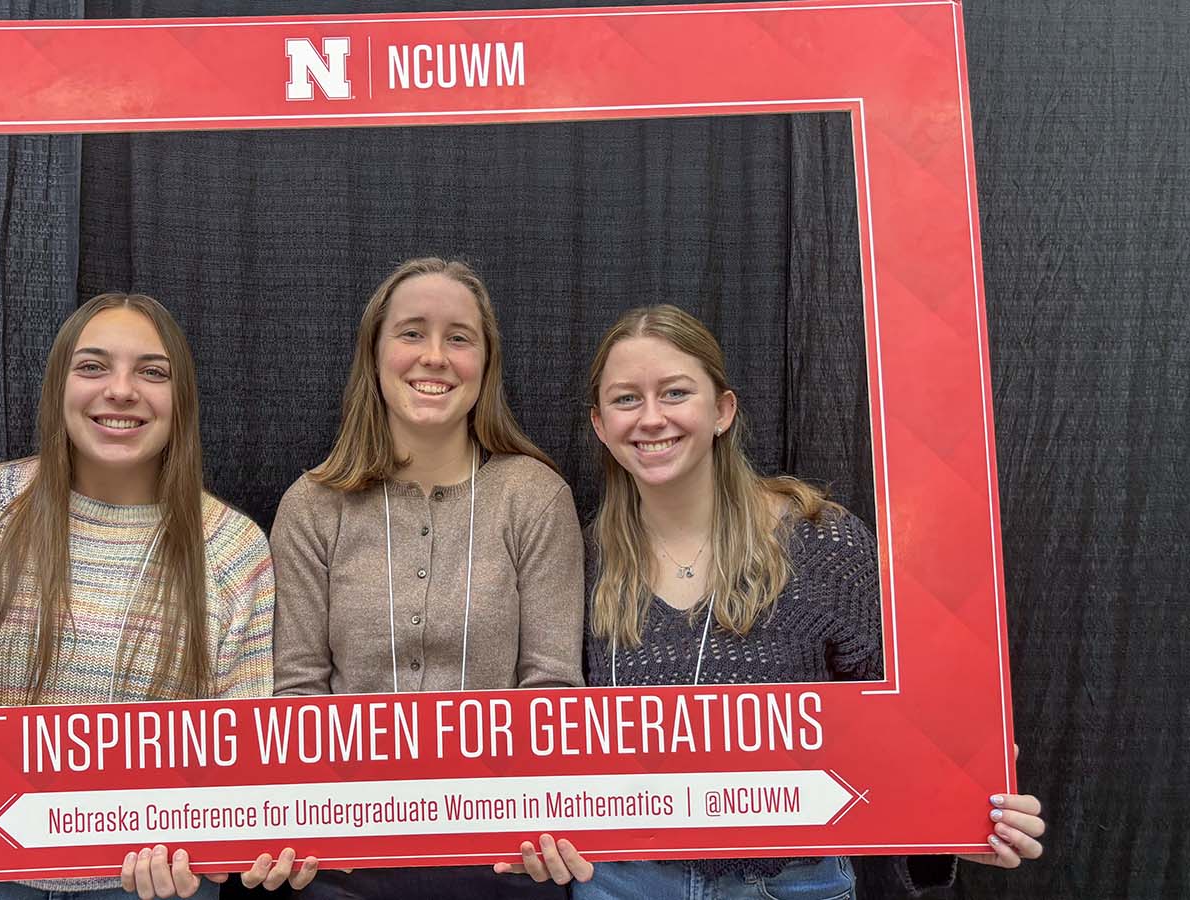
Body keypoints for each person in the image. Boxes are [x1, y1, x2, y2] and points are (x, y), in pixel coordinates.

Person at [494, 304, 1046, 896]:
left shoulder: (820, 541)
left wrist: (962, 814)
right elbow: (556, 737)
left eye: (675, 393)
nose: (651, 418)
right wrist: (533, 833)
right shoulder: (583, 560)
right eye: (626, 399)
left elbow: (911, 725)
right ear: (601, 424)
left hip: (793, 883)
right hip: (625, 881)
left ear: (722, 411)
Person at [0, 293, 315, 899]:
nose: (121, 390)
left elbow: (244, 760)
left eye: (152, 372)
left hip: (149, 886)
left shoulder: (232, 550)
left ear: (182, 402)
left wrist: (247, 841)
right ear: (57, 387)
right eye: (93, 366)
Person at [270, 258, 585, 899]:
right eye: (411, 333)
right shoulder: (312, 504)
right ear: (375, 354)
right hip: (342, 859)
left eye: (459, 337)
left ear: (486, 364)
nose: (434, 356)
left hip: (500, 858)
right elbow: (297, 692)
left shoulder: (535, 496)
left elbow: (552, 688)